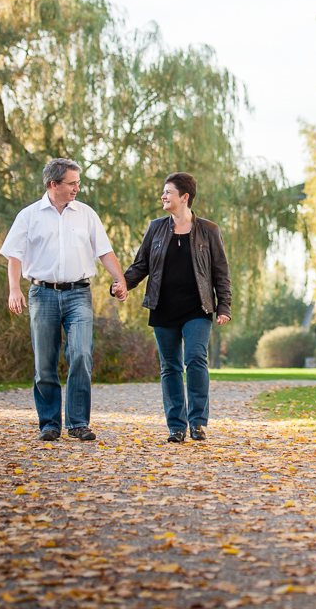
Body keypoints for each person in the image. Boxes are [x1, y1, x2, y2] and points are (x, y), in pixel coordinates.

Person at [1, 158, 128, 442]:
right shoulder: (29, 215)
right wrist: (14, 289)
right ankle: (49, 424)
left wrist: (121, 280)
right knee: (44, 362)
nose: (77, 189)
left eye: (78, 183)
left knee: (81, 355)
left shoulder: (86, 214)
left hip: (78, 293)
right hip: (41, 294)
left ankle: (78, 423)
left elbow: (104, 252)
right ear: (53, 184)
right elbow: (14, 256)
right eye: (72, 183)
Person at [123, 172, 231, 444]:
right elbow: (142, 265)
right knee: (170, 367)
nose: (163, 196)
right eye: (163, 191)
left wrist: (224, 306)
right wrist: (123, 283)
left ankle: (197, 423)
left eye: (168, 192)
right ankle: (176, 426)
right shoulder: (155, 228)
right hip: (163, 307)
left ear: (185, 197)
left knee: (195, 358)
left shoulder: (209, 229)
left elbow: (221, 271)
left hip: (198, 307)